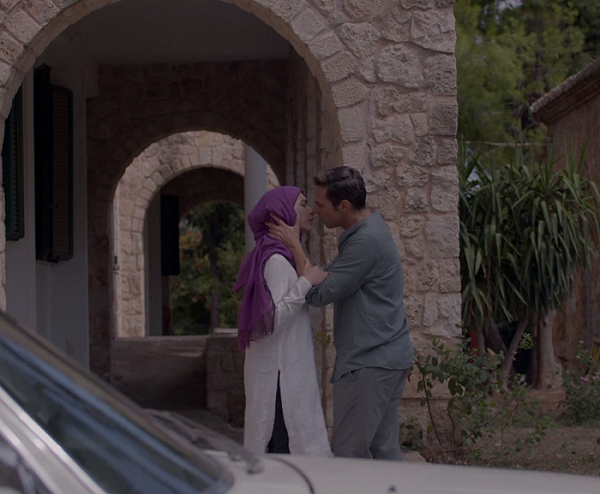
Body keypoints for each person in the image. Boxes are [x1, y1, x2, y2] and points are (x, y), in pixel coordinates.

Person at [267, 167, 414, 460]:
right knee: (383, 451)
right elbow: (331, 275)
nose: (315, 210)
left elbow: (318, 293)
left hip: (370, 362)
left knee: (348, 454)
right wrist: (316, 270)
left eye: (320, 204)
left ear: (344, 206)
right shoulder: (365, 231)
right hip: (385, 358)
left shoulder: (365, 242)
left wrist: (294, 245)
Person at [234, 185, 331, 457]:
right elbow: (272, 320)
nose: (311, 210)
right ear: (283, 214)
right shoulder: (276, 262)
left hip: (288, 372)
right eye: (302, 204)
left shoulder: (285, 258)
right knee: (283, 456)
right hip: (280, 377)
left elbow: (310, 314)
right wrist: (305, 283)